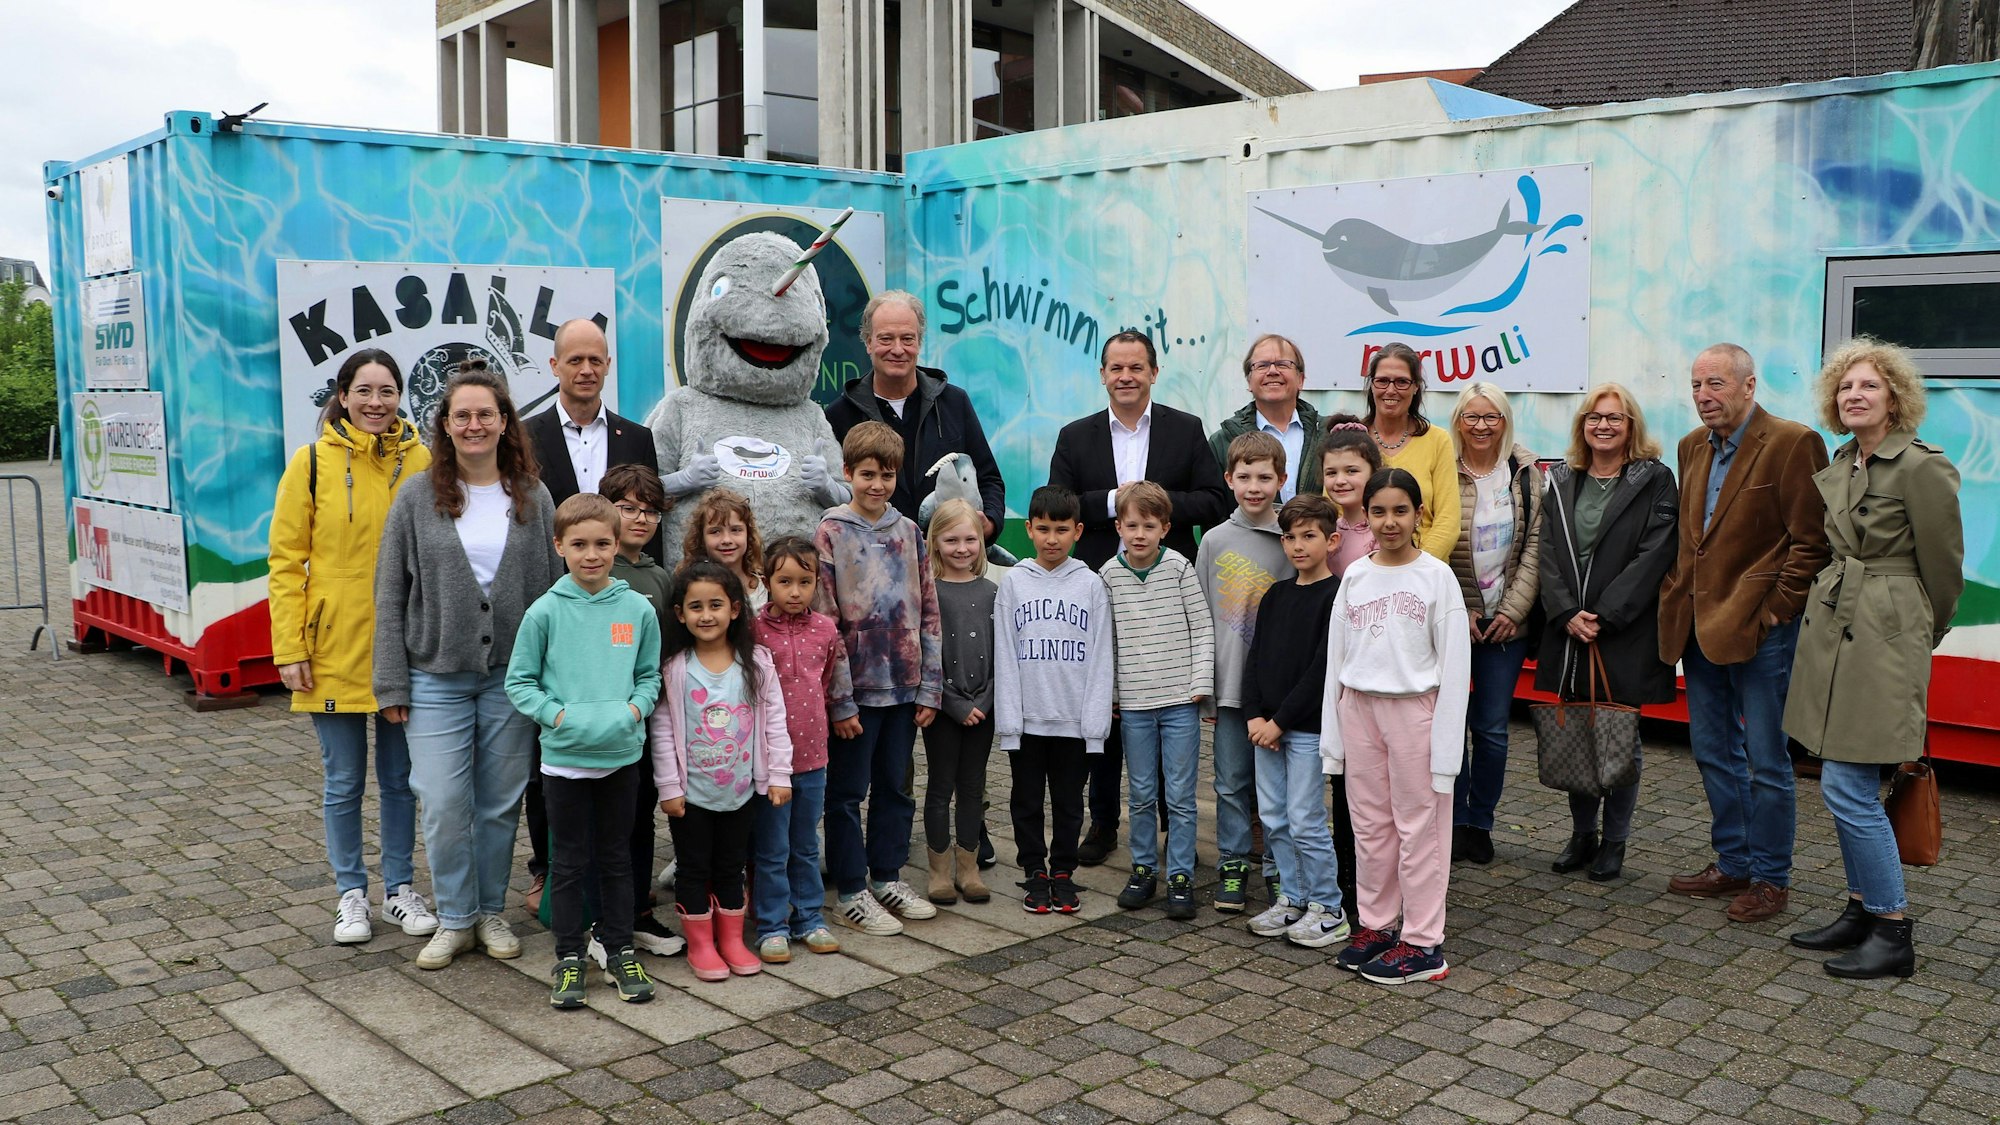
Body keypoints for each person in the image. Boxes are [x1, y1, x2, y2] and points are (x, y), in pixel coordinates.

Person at [1785, 339, 1963, 979]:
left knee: (1847, 784)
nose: (1854, 396)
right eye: (1845, 388)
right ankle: (1860, 910)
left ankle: (1892, 928)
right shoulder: (1845, 460)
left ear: (1895, 398)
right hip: (1836, 627)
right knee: (1841, 781)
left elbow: (1944, 571)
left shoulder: (1920, 467)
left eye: (1869, 386)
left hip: (1885, 634)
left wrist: (1918, 631)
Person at [374, 367, 560, 970]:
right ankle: (453, 918)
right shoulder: (417, 496)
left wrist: (554, 678)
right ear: (446, 426)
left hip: (511, 678)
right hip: (434, 677)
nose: (474, 424)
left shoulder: (533, 497)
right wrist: (391, 680)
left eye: (486, 414)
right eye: (462, 415)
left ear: (505, 422)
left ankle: (489, 911)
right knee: (445, 800)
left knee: (500, 804)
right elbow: (388, 592)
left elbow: (555, 594)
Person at [268, 348, 437, 945]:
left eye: (387, 390)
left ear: (400, 395)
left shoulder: (422, 459)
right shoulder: (310, 463)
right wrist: (290, 646)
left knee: (401, 779)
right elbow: (286, 562)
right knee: (344, 782)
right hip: (333, 645)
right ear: (342, 395)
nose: (375, 402)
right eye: (363, 390)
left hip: (406, 645)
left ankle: (398, 889)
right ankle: (350, 894)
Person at [1660, 343, 1830, 924]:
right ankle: (1732, 861)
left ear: (1750, 386)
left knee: (1766, 758)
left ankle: (1770, 879)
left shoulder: (1792, 443)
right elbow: (1693, 541)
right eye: (1696, 385)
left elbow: (1812, 540)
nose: (1705, 396)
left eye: (1716, 384)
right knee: (1712, 750)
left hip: (1763, 631)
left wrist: (1779, 609)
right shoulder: (1690, 448)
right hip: (1701, 628)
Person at [1049, 331, 1231, 866]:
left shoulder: (1186, 429)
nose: (1126, 376)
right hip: (1102, 590)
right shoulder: (1075, 435)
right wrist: (1114, 501)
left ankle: (1177, 832)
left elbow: (1213, 501)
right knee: (1108, 709)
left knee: (1167, 714)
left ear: (1154, 372)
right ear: (1102, 375)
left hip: (1167, 595)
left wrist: (1149, 504)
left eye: (1136, 367)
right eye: (1116, 367)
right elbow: (1062, 502)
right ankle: (1104, 823)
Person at [522, 321, 661, 911]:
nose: (585, 369)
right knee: (547, 754)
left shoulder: (638, 435)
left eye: (595, 359)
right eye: (573, 359)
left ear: (607, 366)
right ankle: (547, 869)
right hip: (554, 603)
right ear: (554, 367)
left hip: (617, 608)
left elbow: (650, 510)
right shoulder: (525, 437)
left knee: (626, 759)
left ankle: (625, 881)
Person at [504, 494, 663, 1007]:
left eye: (601, 544)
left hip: (621, 757)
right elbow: (520, 681)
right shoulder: (544, 611)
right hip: (564, 762)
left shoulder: (637, 609)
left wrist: (634, 711)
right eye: (579, 545)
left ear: (618, 545)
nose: (591, 554)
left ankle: (619, 950)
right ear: (558, 546)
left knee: (618, 860)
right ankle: (570, 956)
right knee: (568, 863)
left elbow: (649, 676)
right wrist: (559, 716)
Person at [1321, 468, 1470, 985]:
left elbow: (1455, 668)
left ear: (1418, 516)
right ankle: (1378, 926)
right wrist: (1332, 740)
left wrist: (1447, 753)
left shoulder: (1436, 578)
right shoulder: (1356, 576)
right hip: (1359, 709)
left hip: (1413, 712)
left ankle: (1425, 943)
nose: (1389, 522)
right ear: (1366, 516)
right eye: (1379, 511)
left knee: (1420, 828)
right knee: (1370, 826)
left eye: (1400, 511)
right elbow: (1335, 659)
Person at [1536, 384, 1678, 882]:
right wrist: (1566, 612)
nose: (1604, 426)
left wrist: (1605, 613)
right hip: (1569, 630)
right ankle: (1582, 835)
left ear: (1631, 426)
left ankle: (1615, 841)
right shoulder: (1559, 479)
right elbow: (1546, 550)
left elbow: (1656, 552)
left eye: (1615, 418)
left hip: (1623, 630)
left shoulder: (1655, 479)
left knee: (1619, 738)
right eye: (1595, 417)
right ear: (1582, 425)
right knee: (1579, 730)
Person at [814, 421, 944, 936]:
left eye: (887, 475)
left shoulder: (909, 532)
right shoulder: (831, 532)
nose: (877, 485)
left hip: (905, 685)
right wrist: (839, 702)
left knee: (896, 786)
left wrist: (930, 685)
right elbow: (824, 623)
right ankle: (850, 888)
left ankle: (887, 876)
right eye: (867, 474)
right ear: (847, 473)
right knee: (847, 792)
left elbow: (930, 612)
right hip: (857, 693)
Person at [650, 562, 794, 982]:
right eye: (695, 607)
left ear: (735, 609)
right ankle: (701, 944)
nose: (706, 615)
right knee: (692, 869)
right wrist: (669, 787)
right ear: (680, 614)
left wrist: (780, 775)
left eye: (716, 605)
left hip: (741, 792)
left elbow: (774, 721)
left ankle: (731, 939)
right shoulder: (675, 669)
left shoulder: (757, 663)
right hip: (691, 798)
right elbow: (661, 731)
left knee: (731, 866)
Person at [993, 486, 1115, 914]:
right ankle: (1033, 871)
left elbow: (1102, 659)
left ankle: (1063, 870)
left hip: (1074, 721)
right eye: (1042, 529)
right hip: (1027, 721)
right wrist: (1008, 722)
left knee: (1068, 801)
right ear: (1028, 529)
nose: (1051, 539)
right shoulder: (1013, 584)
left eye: (1061, 530)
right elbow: (1005, 656)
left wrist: (1095, 726)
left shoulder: (1091, 585)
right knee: (1025, 801)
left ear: (1078, 531)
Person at [1100, 482, 1212, 921]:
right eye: (1132, 525)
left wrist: (1200, 683)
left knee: (1182, 795)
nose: (1140, 534)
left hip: (1180, 700)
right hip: (1134, 704)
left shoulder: (1180, 568)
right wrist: (1110, 694)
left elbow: (1203, 628)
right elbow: (1104, 641)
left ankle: (1181, 874)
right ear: (1119, 527)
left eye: (1149, 525)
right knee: (1143, 792)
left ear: (1165, 528)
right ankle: (1144, 868)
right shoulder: (1108, 575)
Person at [1242, 494, 1349, 950]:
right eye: (1290, 537)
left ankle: (1329, 908)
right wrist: (1254, 715)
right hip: (1264, 731)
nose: (1299, 546)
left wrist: (1280, 722)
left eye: (1310, 536)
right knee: (1274, 818)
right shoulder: (1276, 594)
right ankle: (1292, 897)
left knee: (1305, 819)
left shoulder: (1337, 595)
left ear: (1332, 540)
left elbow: (1321, 670)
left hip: (1304, 731)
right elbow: (1255, 658)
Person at [1196, 432, 1294, 912]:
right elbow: (1198, 614)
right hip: (1230, 688)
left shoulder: (1292, 539)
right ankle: (1233, 865)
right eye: (1245, 477)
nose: (1254, 487)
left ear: (1282, 479)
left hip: (1277, 693)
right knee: (1231, 783)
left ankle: (1278, 868)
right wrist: (1205, 686)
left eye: (1265, 477)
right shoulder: (1214, 540)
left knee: (1276, 789)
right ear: (1228, 479)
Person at [1445, 383, 1541, 866]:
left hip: (1507, 628)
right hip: (1453, 622)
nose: (1481, 426)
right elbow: (1433, 540)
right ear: (1458, 420)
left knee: (1491, 730)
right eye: (1471, 416)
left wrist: (1511, 612)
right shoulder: (1444, 469)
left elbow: (1536, 550)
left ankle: (1480, 822)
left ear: (1505, 422)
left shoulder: (1525, 474)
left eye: (1492, 417)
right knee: (1448, 728)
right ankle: (1454, 821)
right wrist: (1458, 610)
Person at [751, 537, 857, 962]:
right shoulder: (753, 630)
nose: (795, 591)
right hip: (769, 761)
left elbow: (828, 680)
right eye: (784, 581)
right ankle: (772, 924)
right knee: (772, 847)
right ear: (766, 581)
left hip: (814, 757)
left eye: (804, 581)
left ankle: (810, 917)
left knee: (805, 843)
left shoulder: (826, 630)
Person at [826, 291, 1006, 537]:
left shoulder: (954, 403)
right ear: (868, 342)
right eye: (886, 339)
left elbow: (989, 479)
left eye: (907, 339)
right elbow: (833, 492)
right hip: (875, 561)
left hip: (948, 561)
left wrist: (991, 523)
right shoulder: (840, 414)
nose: (898, 349)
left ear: (919, 342)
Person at [596, 464, 685, 958]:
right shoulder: (592, 571)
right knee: (602, 819)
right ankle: (599, 916)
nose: (639, 518)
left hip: (650, 719)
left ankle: (637, 913)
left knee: (639, 816)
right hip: (599, 722)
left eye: (649, 510)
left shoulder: (658, 576)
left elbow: (671, 654)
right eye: (627, 508)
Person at [923, 499, 998, 906]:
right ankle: (938, 870)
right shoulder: (928, 593)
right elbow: (924, 655)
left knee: (972, 788)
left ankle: (968, 868)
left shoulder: (992, 592)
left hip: (983, 710)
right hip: (943, 709)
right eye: (951, 539)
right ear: (935, 543)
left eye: (970, 539)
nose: (962, 547)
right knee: (940, 787)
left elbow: (1003, 653)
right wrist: (952, 703)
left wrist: (985, 701)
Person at [1361, 343, 1459, 561]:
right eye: (1382, 380)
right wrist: (1371, 568)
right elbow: (1335, 512)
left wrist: (1414, 567)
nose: (1391, 390)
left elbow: (1448, 522)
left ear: (1416, 387)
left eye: (1402, 382)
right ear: (1372, 385)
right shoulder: (1352, 439)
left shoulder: (1438, 441)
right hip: (1365, 575)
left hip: (1425, 578)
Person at [1208, 334, 1325, 501]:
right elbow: (1215, 508)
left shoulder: (1328, 433)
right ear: (1249, 382)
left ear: (1300, 379)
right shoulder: (1221, 442)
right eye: (1262, 365)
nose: (1272, 371)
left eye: (1283, 364)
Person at [681, 489, 767, 612]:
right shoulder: (688, 588)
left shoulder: (767, 589)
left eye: (736, 530)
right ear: (701, 538)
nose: (726, 540)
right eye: (715, 531)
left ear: (748, 535)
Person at [1320, 415, 1382, 577]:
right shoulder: (1325, 530)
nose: (1340, 481)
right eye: (1331, 473)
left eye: (1351, 471)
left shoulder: (1382, 532)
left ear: (1374, 471)